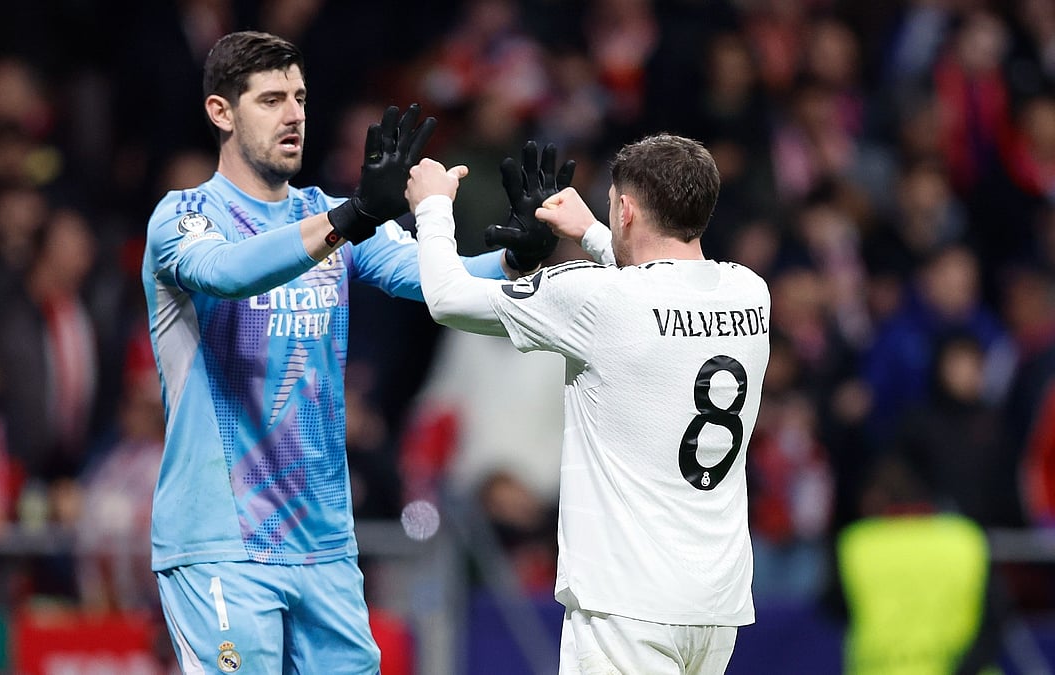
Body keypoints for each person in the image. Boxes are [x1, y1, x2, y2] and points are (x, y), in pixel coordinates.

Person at [141, 31, 525, 674]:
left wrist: (517, 256)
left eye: (300, 97)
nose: (293, 114)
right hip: (220, 543)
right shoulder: (184, 217)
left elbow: (438, 279)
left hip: (323, 543)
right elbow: (228, 273)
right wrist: (349, 220)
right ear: (221, 112)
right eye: (271, 100)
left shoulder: (329, 214)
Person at [406, 134, 771, 673]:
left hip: (627, 603)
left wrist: (433, 207)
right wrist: (593, 233)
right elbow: (652, 288)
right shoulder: (749, 292)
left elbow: (446, 299)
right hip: (716, 604)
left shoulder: (593, 298)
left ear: (626, 210)